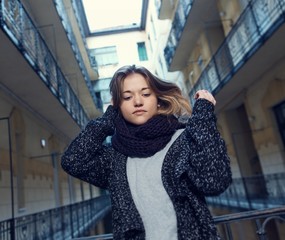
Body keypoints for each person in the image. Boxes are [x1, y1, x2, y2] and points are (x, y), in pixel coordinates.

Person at [61, 65, 232, 240]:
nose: (137, 102)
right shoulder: (114, 158)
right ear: (117, 106)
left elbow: (214, 181)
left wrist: (203, 116)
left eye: (146, 94)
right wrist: (107, 118)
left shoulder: (184, 139)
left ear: (158, 98)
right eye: (127, 97)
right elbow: (73, 160)